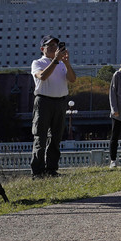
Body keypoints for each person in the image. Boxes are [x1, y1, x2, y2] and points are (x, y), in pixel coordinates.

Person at [30, 35, 76, 177]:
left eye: (56, 46)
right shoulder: (38, 62)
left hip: (60, 102)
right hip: (44, 101)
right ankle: (37, 171)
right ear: (42, 49)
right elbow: (42, 76)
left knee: (56, 137)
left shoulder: (62, 64)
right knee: (40, 136)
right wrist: (55, 61)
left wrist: (66, 63)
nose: (54, 49)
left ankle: (51, 169)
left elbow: (73, 79)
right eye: (50, 46)